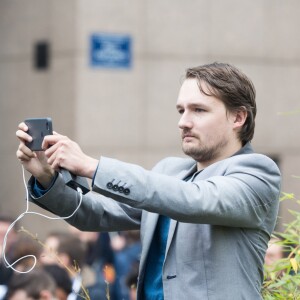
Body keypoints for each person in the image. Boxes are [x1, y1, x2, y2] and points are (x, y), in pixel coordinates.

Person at [16, 62, 281, 299]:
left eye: (198, 110)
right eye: (181, 110)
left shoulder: (258, 172)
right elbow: (95, 215)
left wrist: (91, 167)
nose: (183, 122)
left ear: (238, 117)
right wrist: (47, 177)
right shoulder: (168, 171)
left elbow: (195, 200)